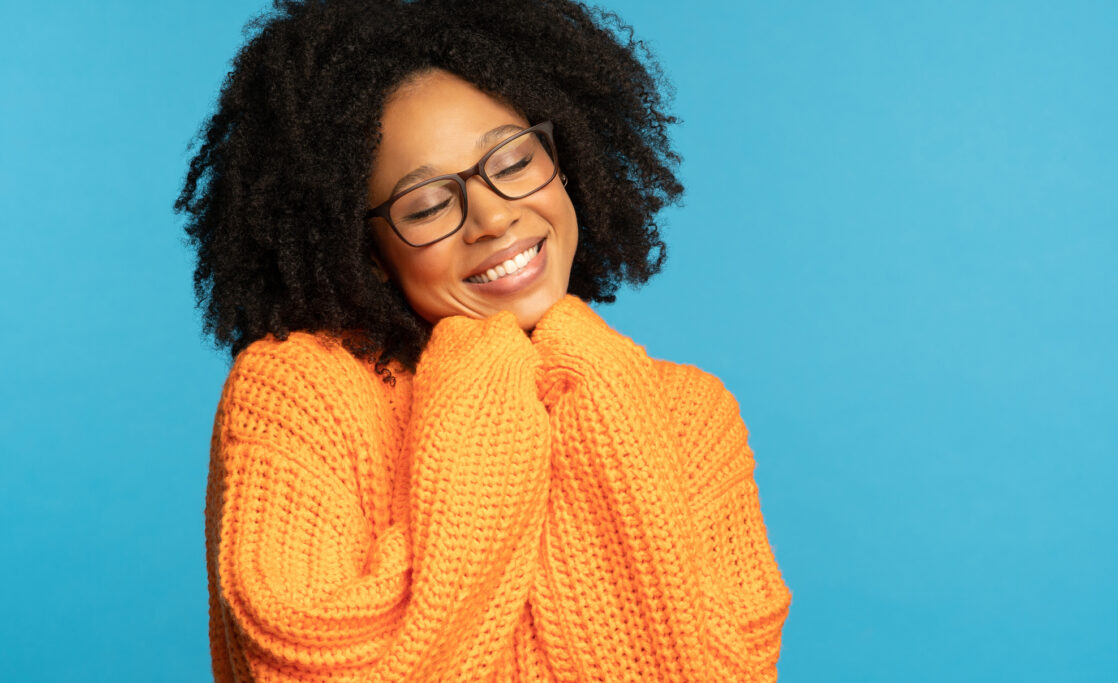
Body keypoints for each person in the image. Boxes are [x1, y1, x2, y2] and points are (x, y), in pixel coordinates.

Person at [176, 0, 792, 680]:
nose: (495, 216)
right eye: (430, 204)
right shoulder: (301, 393)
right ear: (369, 249)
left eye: (514, 159)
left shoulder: (689, 413)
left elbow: (731, 667)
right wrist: (484, 368)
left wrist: (593, 383)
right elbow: (303, 657)